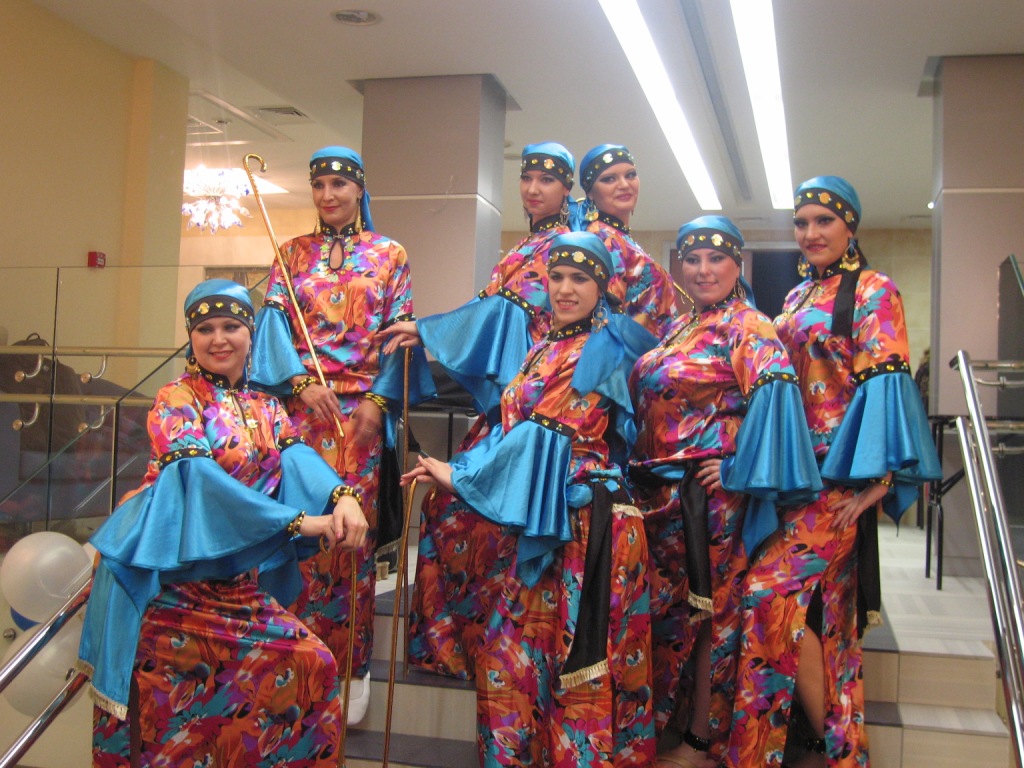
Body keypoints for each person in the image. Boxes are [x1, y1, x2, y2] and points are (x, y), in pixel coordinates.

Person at [77, 279, 369, 767]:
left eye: (231, 326)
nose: (218, 339)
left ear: (251, 334)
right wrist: (298, 523)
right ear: (190, 337)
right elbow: (200, 482)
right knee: (170, 726)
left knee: (311, 666)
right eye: (205, 328)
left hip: (230, 582)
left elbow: (298, 461)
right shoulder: (176, 398)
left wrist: (344, 497)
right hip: (165, 583)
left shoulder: (266, 406)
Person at [402, 232, 659, 766]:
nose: (564, 289)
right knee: (513, 665)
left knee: (570, 673)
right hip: (547, 518)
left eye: (580, 278)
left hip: (585, 528)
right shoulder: (546, 345)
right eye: (556, 276)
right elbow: (513, 429)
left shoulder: (605, 347)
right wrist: (459, 473)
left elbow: (548, 435)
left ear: (603, 286)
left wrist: (460, 476)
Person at [726, 177, 941, 768]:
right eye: (802, 222)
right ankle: (845, 752)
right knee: (834, 624)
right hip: (794, 476)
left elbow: (888, 382)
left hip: (838, 483)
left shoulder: (873, 289)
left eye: (824, 220)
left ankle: (793, 749)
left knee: (766, 593)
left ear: (850, 225)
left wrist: (880, 483)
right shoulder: (797, 297)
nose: (811, 232)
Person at [249, 146, 433, 725]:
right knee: (298, 529)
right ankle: (292, 656)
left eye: (339, 184)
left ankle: (351, 666)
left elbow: (400, 337)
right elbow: (272, 329)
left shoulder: (389, 254)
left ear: (359, 189)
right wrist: (300, 383)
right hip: (301, 415)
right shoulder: (290, 253)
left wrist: (379, 404)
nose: (329, 195)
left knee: (350, 541)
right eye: (319, 185)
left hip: (360, 418)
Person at [628, 217, 821, 768]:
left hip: (709, 501)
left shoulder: (747, 325)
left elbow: (777, 398)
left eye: (716, 258)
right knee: (676, 617)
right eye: (691, 259)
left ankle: (700, 742)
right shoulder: (682, 324)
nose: (703, 270)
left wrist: (738, 464)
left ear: (738, 264)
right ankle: (674, 727)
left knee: (711, 616)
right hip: (660, 498)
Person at [384, 142, 577, 679]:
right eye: (527, 178)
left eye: (547, 180)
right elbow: (491, 311)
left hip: (544, 405)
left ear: (567, 188)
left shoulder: (563, 248)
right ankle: (459, 647)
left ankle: (498, 649)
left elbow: (502, 312)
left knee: (472, 518)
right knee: (443, 509)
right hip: (513, 402)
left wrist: (429, 329)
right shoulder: (523, 247)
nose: (533, 189)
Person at [578, 143, 679, 339]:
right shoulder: (603, 241)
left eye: (630, 175)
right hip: (627, 354)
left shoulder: (618, 238)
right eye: (609, 179)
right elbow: (604, 323)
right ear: (590, 192)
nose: (624, 184)